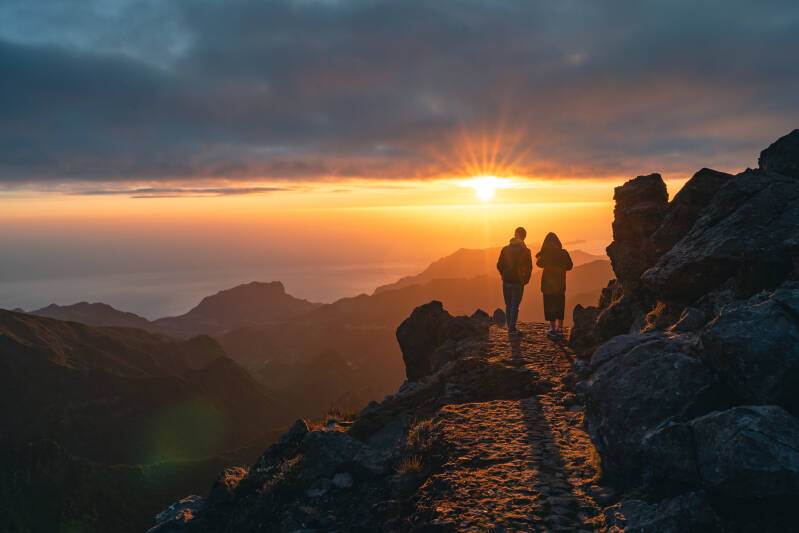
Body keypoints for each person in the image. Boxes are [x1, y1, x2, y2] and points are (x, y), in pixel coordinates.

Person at [496, 227, 533, 334]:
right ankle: (512, 328)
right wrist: (525, 279)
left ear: (514, 235)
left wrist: (504, 274)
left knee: (508, 305)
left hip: (506, 281)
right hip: (518, 282)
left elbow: (499, 265)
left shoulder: (505, 249)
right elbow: (529, 267)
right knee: (515, 306)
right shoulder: (526, 251)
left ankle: (510, 327)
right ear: (524, 237)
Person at [535, 232, 573, 337]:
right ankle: (560, 328)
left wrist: (544, 251)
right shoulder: (563, 253)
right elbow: (570, 266)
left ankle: (552, 329)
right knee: (560, 305)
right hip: (560, 284)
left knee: (549, 306)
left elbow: (539, 264)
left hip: (547, 286)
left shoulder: (546, 254)